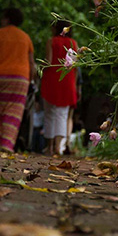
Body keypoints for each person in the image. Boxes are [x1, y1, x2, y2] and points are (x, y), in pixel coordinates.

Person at [0, 8, 35, 152]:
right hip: (20, 79)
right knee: (14, 110)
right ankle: (6, 144)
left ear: (7, 19)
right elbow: (32, 64)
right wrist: (31, 81)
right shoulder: (26, 38)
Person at [40, 20, 79, 155]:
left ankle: (49, 146)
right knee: (62, 115)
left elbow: (49, 61)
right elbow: (74, 65)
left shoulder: (51, 41)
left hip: (51, 80)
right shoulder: (73, 43)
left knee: (49, 113)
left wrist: (39, 68)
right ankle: (58, 147)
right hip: (67, 81)